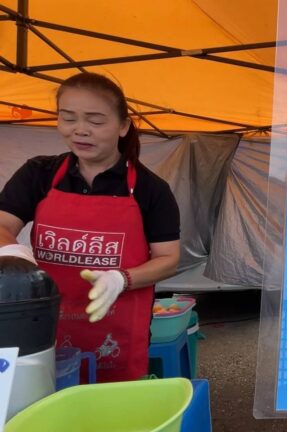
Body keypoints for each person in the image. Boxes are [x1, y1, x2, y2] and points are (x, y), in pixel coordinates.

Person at [0, 72, 180, 383]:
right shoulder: (39, 174)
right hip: (45, 325)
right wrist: (15, 253)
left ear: (123, 126)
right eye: (68, 118)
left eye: (95, 121)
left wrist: (120, 279)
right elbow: (3, 223)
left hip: (119, 330)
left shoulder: (150, 189)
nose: (80, 130)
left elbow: (169, 259)